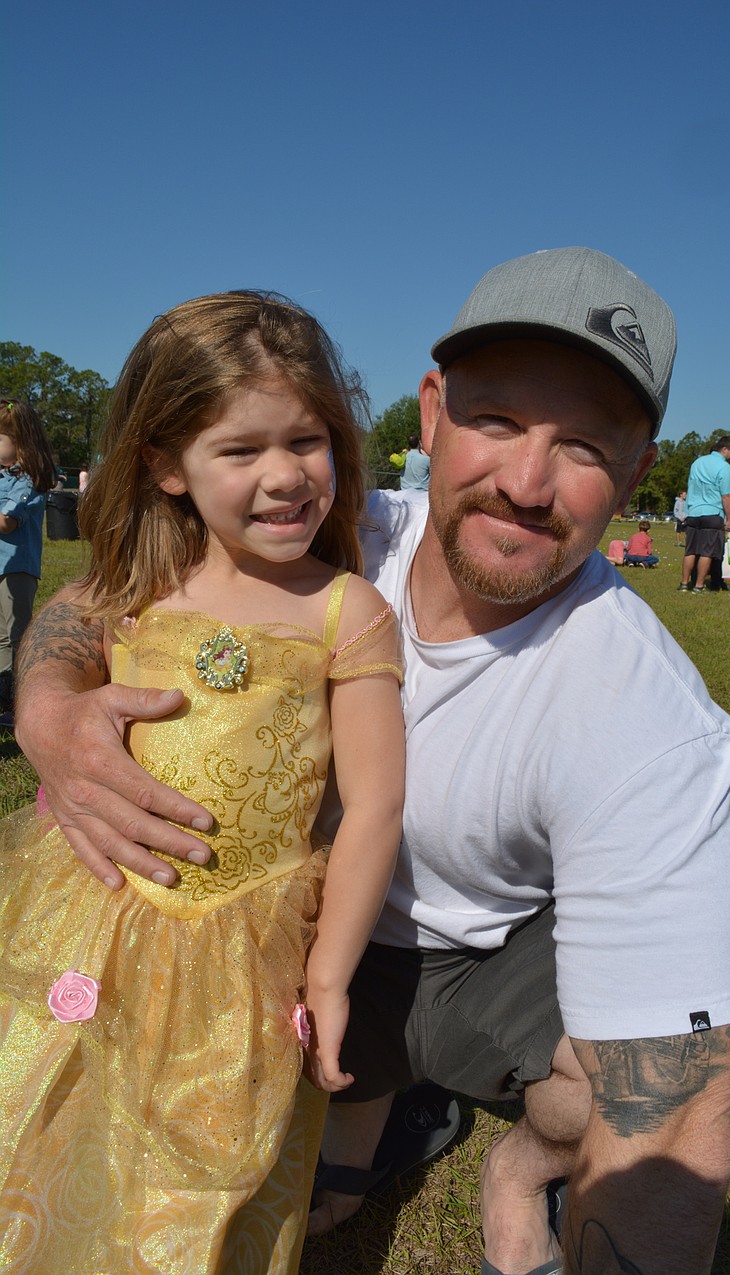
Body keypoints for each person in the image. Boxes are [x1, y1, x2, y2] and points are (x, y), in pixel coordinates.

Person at [13, 249, 730, 1275]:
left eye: (582, 445)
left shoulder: (648, 722)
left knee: (608, 1082)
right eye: (498, 420)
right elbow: (98, 596)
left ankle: (515, 1166)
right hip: (270, 927)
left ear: (636, 473)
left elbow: (676, 1102)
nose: (525, 483)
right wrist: (48, 706)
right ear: (433, 413)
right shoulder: (327, 523)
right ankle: (373, 1115)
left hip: (472, 956)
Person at [0, 291, 405, 1274]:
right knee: (60, 1112)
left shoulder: (346, 610)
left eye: (306, 440)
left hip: (245, 947)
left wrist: (330, 973)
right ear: (165, 466)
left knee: (208, 1154)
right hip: (98, 911)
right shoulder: (132, 584)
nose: (285, 474)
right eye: (241, 449)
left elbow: (375, 804)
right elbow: (61, 654)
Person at [0, 398, 56, 725]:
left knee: (15, 635)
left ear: (19, 443)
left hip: (17, 569)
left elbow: (6, 522)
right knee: (1, 635)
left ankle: (16, 701)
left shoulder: (28, 480)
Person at [678, 436, 730, 593]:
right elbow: (726, 496)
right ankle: (699, 586)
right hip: (712, 513)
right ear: (724, 449)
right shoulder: (725, 467)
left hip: (693, 512)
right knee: (707, 552)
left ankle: (684, 584)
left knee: (690, 551)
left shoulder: (698, 462)